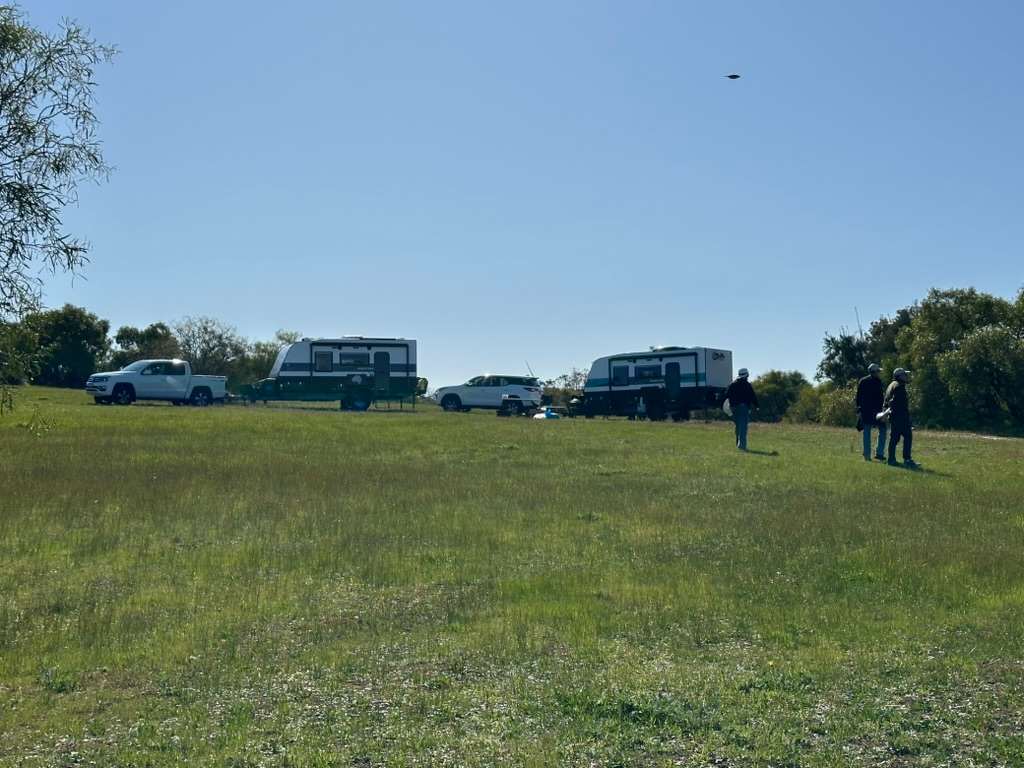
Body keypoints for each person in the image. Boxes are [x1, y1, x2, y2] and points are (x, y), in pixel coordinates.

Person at [884, 368, 917, 468]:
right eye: (904, 375)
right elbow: (895, 402)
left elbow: (887, 401)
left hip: (894, 416)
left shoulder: (891, 385)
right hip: (900, 417)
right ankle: (907, 460)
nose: (906, 376)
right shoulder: (899, 386)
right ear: (899, 376)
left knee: (894, 438)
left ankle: (891, 459)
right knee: (907, 437)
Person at [855, 363, 887, 462]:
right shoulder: (878, 382)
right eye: (878, 371)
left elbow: (858, 397)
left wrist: (859, 410)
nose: (879, 373)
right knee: (882, 430)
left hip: (867, 411)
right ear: (874, 372)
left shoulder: (863, 381)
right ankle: (879, 453)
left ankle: (868, 455)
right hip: (875, 412)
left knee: (868, 432)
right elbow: (881, 397)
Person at [724, 368, 758, 451]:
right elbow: (752, 396)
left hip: (733, 408)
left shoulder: (732, 384)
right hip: (743, 408)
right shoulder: (747, 385)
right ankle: (742, 446)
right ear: (747, 375)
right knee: (743, 427)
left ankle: (738, 443)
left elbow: (726, 395)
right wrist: (757, 405)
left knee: (738, 425)